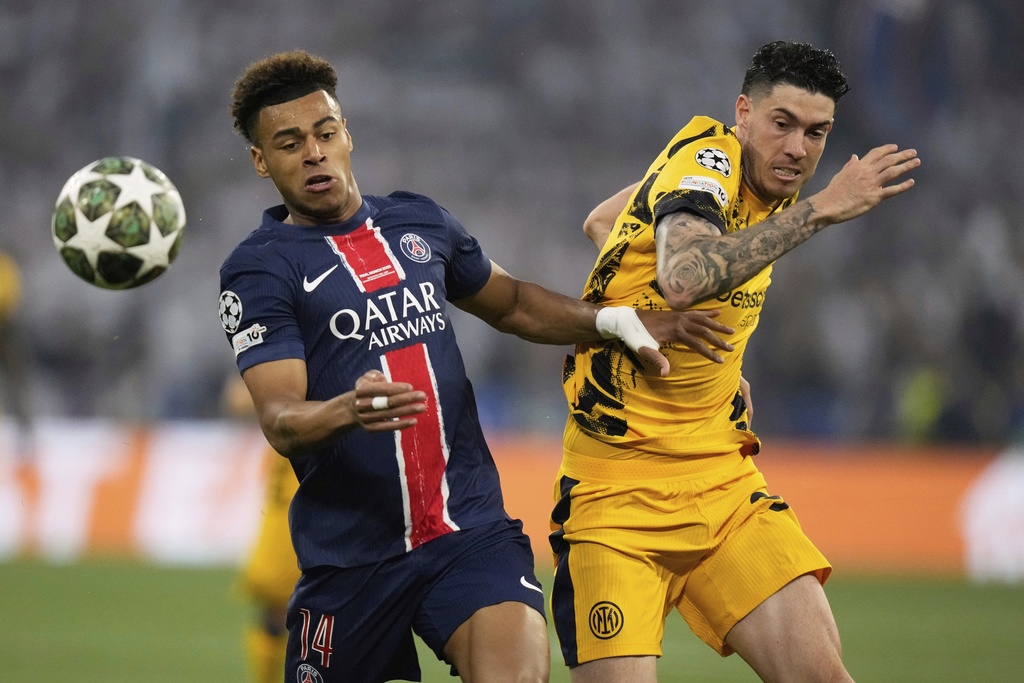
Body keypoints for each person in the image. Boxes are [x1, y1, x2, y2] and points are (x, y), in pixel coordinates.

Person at [218, 50, 735, 683]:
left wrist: (611, 320)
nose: (313, 153)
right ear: (261, 161)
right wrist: (347, 409)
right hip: (350, 561)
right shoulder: (260, 269)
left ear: (347, 134)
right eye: (290, 143)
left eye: (325, 133)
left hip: (468, 532)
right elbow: (280, 418)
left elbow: (513, 304)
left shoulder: (417, 220)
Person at [551, 40, 920, 682]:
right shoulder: (709, 161)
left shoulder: (765, 184)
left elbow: (604, 221)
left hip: (721, 482)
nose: (798, 148)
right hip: (616, 492)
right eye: (783, 124)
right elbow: (684, 278)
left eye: (816, 132)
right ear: (743, 113)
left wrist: (708, 367)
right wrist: (823, 208)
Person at [221, 374, 300, 683]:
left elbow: (237, 399)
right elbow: (237, 399)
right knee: (278, 613)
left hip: (293, 515)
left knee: (280, 613)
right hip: (292, 516)